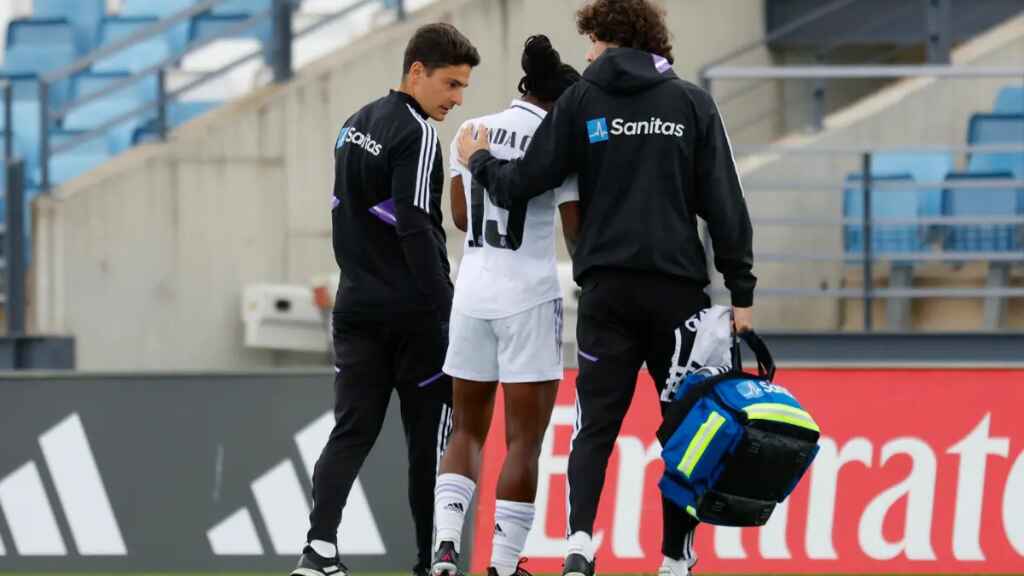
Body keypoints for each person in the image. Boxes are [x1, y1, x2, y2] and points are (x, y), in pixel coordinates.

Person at [456, 1, 756, 575]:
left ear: (605, 37)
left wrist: (481, 160)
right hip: (679, 299)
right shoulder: (692, 102)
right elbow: (726, 204)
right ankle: (674, 560)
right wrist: (740, 291)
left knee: (595, 427)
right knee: (683, 433)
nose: (586, 55)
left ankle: (578, 546)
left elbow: (524, 182)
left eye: (589, 42)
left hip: (607, 295)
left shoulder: (580, 100)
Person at [290, 23, 480, 576]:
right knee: (429, 444)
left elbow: (347, 214)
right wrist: (447, 310)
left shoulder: (354, 124)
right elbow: (417, 228)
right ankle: (430, 563)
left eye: (463, 88)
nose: (457, 99)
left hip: (355, 307)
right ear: (416, 71)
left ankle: (318, 550)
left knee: (351, 430)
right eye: (450, 84)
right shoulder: (418, 133)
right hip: (414, 318)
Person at [430, 35, 582, 576]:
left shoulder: (470, 132)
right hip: (529, 296)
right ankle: (501, 563)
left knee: (467, 430)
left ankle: (446, 546)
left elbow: (462, 219)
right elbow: (574, 232)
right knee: (523, 440)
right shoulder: (559, 142)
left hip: (471, 292)